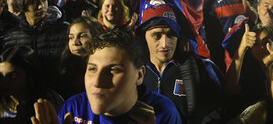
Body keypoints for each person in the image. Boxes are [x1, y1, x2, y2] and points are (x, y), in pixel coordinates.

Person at [31, 29, 182, 124]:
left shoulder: (162, 112)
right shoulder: (75, 107)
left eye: (113, 70)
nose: (97, 82)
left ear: (139, 75)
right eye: (92, 69)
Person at [137, 4, 224, 123]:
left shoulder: (200, 68)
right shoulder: (133, 73)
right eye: (157, 36)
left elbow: (219, 109)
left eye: (171, 34)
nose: (165, 44)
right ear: (144, 37)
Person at [2, 0, 69, 89]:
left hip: (58, 91)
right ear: (22, 6)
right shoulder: (11, 37)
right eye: (34, 2)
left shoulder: (64, 30)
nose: (41, 6)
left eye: (44, 0)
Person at [0, 46, 63, 124]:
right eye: (1, 76)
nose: (4, 82)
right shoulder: (4, 103)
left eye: (13, 76)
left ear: (30, 76)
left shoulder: (50, 101)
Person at [58, 17, 104, 98]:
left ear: (96, 37)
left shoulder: (104, 68)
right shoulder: (64, 67)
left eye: (82, 36)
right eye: (71, 37)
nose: (75, 42)